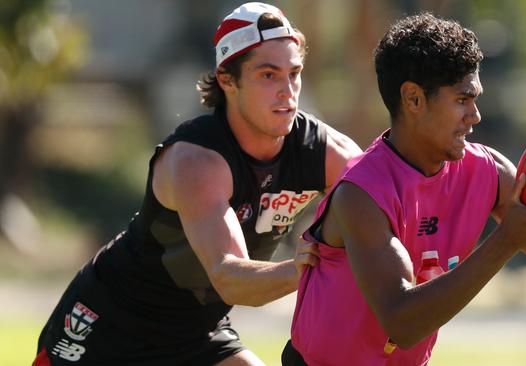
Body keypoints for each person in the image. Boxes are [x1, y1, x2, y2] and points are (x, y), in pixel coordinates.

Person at [33, 2, 361, 365]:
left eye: (294, 73)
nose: (287, 90)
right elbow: (230, 277)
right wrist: (306, 265)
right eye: (268, 75)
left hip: (195, 333)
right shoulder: (196, 160)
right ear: (227, 80)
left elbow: (391, 203)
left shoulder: (327, 151)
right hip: (110, 327)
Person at [282, 12, 526, 366]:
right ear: (413, 99)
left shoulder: (489, 171)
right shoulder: (361, 193)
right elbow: (401, 322)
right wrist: (506, 241)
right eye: (461, 100)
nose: (475, 115)